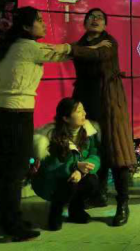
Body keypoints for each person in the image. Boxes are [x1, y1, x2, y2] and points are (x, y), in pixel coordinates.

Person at [0, 7, 72, 241]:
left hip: (3, 111)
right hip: (15, 113)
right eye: (39, 20)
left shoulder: (13, 45)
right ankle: (13, 225)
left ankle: (9, 219)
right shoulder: (27, 47)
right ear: (26, 27)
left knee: (8, 170)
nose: (44, 24)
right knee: (15, 171)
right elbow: (61, 54)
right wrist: (83, 47)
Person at [70, 8, 136, 227]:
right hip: (85, 103)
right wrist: (80, 48)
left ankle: (123, 204)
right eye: (91, 17)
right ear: (84, 23)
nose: (96, 20)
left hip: (109, 103)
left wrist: (75, 49)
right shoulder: (82, 43)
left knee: (117, 152)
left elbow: (96, 55)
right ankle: (98, 194)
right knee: (93, 149)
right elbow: (82, 55)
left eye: (100, 18)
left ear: (105, 24)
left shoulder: (109, 43)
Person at [32, 99, 101, 231]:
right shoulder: (51, 136)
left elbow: (95, 155)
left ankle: (76, 210)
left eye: (83, 110)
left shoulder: (88, 132)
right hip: (53, 181)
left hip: (78, 173)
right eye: (79, 111)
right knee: (68, 183)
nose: (84, 114)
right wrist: (75, 167)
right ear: (66, 118)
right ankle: (55, 212)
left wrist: (81, 171)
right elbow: (51, 168)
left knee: (92, 181)